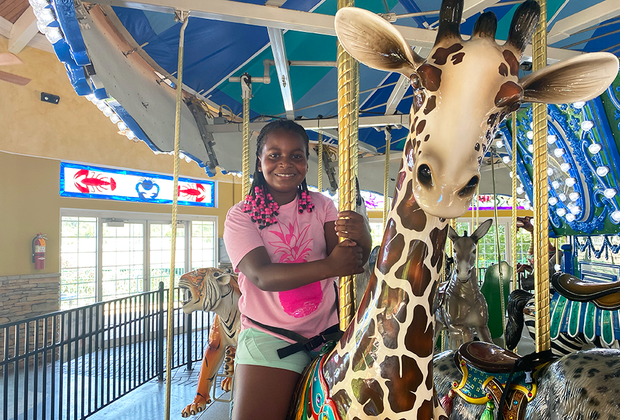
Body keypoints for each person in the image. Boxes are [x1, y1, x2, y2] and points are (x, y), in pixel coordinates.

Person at [223, 120, 372, 420]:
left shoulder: (321, 206)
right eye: (274, 155)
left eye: (296, 155)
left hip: (329, 334)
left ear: (306, 160)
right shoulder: (242, 215)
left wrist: (364, 237)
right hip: (271, 338)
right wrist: (330, 266)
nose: (285, 164)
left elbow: (347, 264)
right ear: (260, 160)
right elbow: (262, 275)